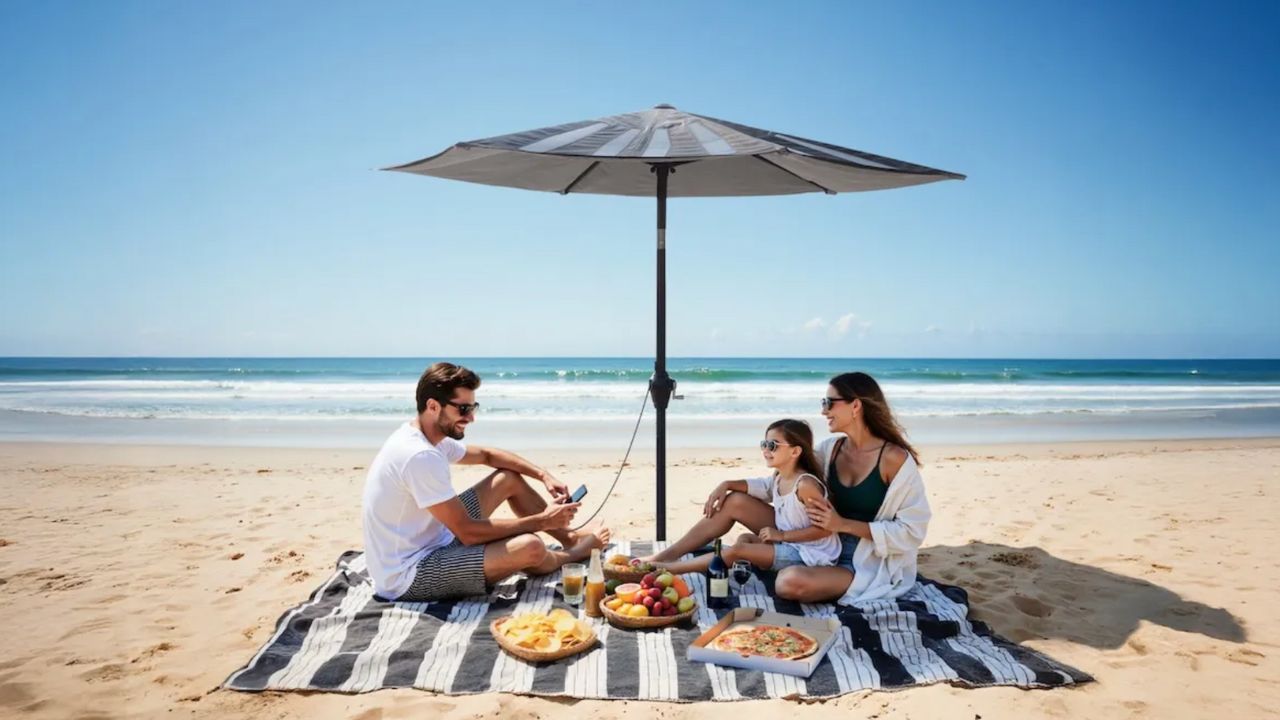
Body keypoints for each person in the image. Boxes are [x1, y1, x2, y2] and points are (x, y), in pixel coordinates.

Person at [361, 361, 610, 602]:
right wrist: (541, 521)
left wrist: (543, 475)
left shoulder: (426, 437)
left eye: (473, 407)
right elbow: (468, 533)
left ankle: (569, 537)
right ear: (433, 406)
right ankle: (575, 552)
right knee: (531, 546)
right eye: (463, 409)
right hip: (410, 574)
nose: (471, 418)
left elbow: (488, 456)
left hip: (436, 537)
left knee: (508, 478)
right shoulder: (420, 455)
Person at [780, 371, 931, 605]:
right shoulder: (830, 450)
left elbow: (912, 532)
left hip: (862, 560)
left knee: (789, 582)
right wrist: (730, 485)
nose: (823, 411)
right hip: (821, 545)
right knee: (735, 501)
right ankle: (700, 570)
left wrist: (842, 524)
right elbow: (788, 480)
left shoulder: (894, 459)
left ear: (856, 406)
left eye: (829, 402)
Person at [648, 419, 839, 576]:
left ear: (795, 451)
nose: (765, 450)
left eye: (772, 445)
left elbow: (825, 530)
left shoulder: (806, 485)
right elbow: (760, 486)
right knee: (736, 506)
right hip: (789, 540)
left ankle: (671, 569)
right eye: (764, 444)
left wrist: (782, 536)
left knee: (739, 550)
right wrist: (726, 484)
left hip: (811, 554)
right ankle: (667, 556)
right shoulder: (780, 477)